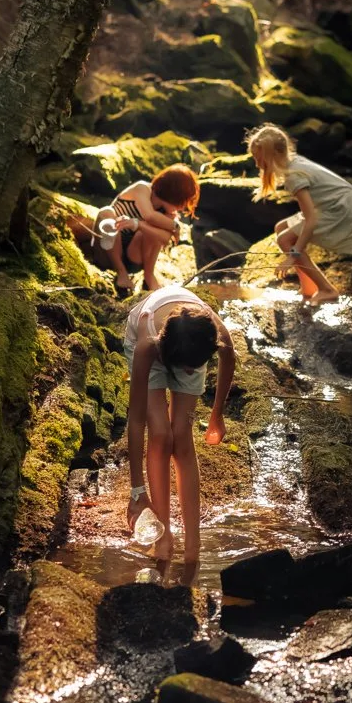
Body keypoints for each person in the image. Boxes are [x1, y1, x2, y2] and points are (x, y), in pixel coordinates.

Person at [123, 283, 233, 564]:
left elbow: (228, 356)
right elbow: (136, 421)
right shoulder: (148, 344)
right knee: (160, 434)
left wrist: (216, 414)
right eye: (185, 367)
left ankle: (193, 543)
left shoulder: (210, 334)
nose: (187, 372)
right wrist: (137, 491)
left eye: (193, 368)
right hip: (156, 345)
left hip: (187, 347)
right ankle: (164, 536)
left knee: (182, 437)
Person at [246, 123, 352, 305]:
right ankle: (309, 287)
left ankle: (327, 289)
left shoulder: (294, 176)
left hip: (340, 209)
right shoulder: (293, 163)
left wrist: (292, 256)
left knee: (285, 240)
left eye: (258, 157)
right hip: (337, 202)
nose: (256, 163)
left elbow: (310, 220)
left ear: (272, 154)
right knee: (281, 228)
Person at [67, 164, 199, 295]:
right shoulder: (142, 188)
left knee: (147, 231)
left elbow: (164, 238)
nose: (182, 208)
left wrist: (140, 225)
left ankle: (149, 276)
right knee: (106, 212)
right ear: (172, 194)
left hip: (133, 260)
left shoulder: (168, 213)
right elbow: (149, 215)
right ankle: (121, 273)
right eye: (181, 202)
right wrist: (174, 226)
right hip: (106, 252)